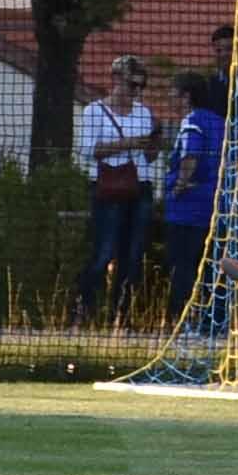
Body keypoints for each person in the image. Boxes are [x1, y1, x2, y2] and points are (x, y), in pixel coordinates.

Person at [75, 54, 159, 322]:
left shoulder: (144, 113)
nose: (135, 92)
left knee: (132, 255)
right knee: (103, 251)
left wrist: (151, 146)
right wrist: (128, 144)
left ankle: (120, 315)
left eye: (140, 87)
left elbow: (148, 156)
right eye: (131, 85)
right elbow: (87, 150)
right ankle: (83, 309)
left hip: (140, 185)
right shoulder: (94, 111)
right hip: (107, 187)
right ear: (115, 80)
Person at [146, 67, 226, 323]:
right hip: (215, 204)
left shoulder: (192, 122)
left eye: (174, 92)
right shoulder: (219, 121)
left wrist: (180, 183)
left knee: (182, 265)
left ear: (186, 96)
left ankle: (179, 319)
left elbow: (190, 155)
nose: (170, 97)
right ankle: (214, 320)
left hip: (188, 209)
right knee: (212, 265)